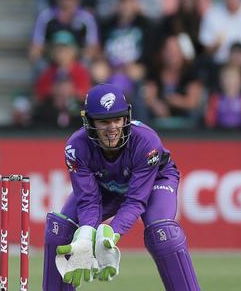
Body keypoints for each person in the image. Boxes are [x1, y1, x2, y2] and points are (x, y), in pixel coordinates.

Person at [42, 83, 200, 290]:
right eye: (104, 122)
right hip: (105, 187)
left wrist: (111, 233)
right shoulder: (76, 147)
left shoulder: (146, 141)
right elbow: (88, 200)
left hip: (155, 181)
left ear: (126, 117)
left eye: (117, 119)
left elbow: (135, 200)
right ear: (89, 122)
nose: (112, 128)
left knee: (163, 234)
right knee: (60, 232)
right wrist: (86, 234)